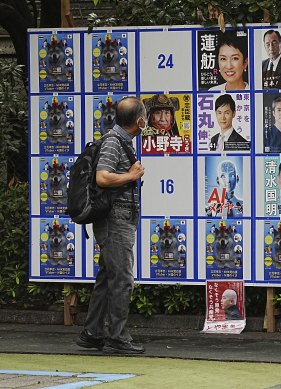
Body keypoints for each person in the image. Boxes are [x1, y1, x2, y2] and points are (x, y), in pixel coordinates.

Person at [76, 97, 146, 354]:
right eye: (145, 116)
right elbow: (103, 177)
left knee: (107, 277)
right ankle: (117, 336)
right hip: (115, 221)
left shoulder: (120, 141)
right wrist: (132, 175)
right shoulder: (113, 142)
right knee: (122, 279)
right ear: (139, 121)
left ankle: (93, 333)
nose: (146, 121)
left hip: (118, 220)